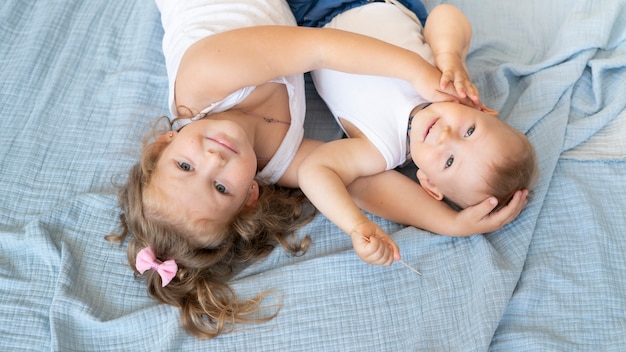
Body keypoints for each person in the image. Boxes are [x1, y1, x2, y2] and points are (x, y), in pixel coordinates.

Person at [107, 0, 528, 339]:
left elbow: (322, 46)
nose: (213, 161)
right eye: (219, 188)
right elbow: (356, 181)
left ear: (164, 143)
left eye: (184, 165)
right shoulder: (270, 161)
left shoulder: (203, 80)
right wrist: (450, 223)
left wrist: (419, 71)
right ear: (250, 193)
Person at [291, 0, 538, 264]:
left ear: (429, 184)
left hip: (315, 15)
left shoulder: (381, 148)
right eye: (469, 131)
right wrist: (449, 56)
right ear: (480, 109)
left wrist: (355, 224)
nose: (445, 136)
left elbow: (314, 170)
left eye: (449, 161)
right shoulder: (446, 83)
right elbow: (447, 14)